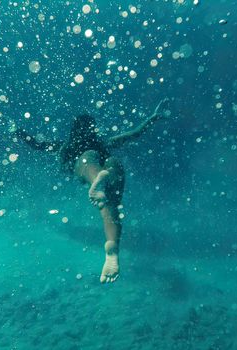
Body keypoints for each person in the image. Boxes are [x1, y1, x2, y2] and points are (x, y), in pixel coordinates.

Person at [11, 99, 168, 283]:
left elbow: (37, 144)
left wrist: (17, 131)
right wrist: (153, 117)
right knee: (113, 192)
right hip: (102, 163)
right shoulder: (103, 142)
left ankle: (99, 179)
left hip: (85, 165)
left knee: (90, 165)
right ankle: (113, 247)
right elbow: (134, 133)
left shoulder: (66, 146)